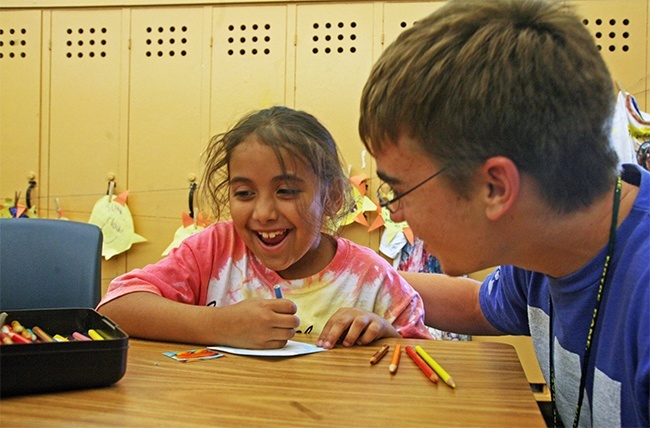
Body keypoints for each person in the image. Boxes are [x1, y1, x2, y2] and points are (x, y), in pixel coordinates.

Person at [341, 0, 647, 426]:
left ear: (495, 187)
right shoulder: (544, 245)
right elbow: (480, 306)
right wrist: (349, 273)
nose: (399, 214)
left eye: (399, 191)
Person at [97, 106, 432, 350]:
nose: (263, 213)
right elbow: (116, 307)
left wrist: (385, 332)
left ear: (331, 197)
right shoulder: (214, 251)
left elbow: (423, 356)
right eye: (244, 194)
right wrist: (220, 325)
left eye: (286, 191)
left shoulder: (370, 278)